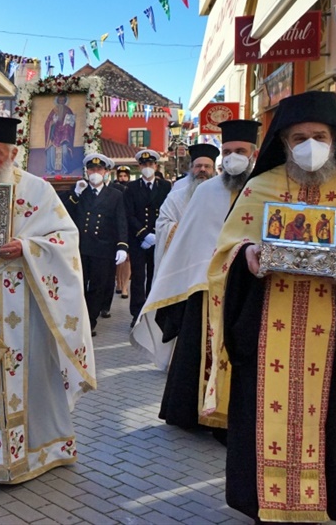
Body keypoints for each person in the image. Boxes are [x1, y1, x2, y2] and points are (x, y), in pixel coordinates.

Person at [202, 92, 336, 523]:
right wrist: (247, 254)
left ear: (335, 140)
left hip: (332, 337)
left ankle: (320, 504)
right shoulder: (259, 187)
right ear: (284, 143)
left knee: (328, 422)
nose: (310, 145)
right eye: (299, 137)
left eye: (319, 136)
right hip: (264, 328)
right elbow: (224, 253)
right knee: (258, 418)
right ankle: (262, 507)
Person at [0, 116, 96, 495]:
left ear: (13, 153)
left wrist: (26, 247)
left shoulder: (38, 190)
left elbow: (66, 239)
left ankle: (36, 454)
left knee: (32, 380)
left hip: (24, 304)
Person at [131, 120, 259, 437]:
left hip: (251, 289)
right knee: (200, 353)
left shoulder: (265, 189)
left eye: (240, 151)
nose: (233, 157)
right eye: (228, 151)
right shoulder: (206, 192)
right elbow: (188, 240)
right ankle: (196, 413)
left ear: (254, 153)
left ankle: (239, 418)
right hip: (206, 288)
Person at [63, 153, 128, 335]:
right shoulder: (79, 190)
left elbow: (121, 220)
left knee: (98, 286)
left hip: (103, 247)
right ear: (87, 171)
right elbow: (64, 212)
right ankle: (78, 318)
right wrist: (75, 194)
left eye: (99, 169)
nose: (95, 172)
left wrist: (122, 245)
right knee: (79, 284)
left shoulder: (115, 194)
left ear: (106, 172)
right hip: (81, 247)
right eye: (91, 169)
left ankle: (90, 321)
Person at [122, 149, 171, 325]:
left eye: (150, 164)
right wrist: (144, 234)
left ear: (156, 166)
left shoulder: (165, 186)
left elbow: (168, 211)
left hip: (158, 238)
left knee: (154, 275)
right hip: (138, 240)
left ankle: (151, 310)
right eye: (144, 165)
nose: (147, 167)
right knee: (137, 277)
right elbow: (129, 214)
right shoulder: (131, 188)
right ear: (139, 167)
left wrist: (157, 234)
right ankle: (137, 313)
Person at [154, 143, 218, 268]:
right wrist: (189, 230)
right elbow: (162, 225)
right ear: (191, 169)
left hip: (214, 260)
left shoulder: (224, 196)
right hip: (184, 261)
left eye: (207, 166)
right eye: (198, 166)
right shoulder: (175, 198)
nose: (202, 169)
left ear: (214, 171)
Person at [111, 166, 132, 297]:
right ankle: (118, 282)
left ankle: (125, 286)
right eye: (120, 176)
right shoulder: (113, 189)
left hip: (128, 225)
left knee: (128, 259)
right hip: (116, 226)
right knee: (118, 260)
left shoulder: (131, 189)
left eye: (125, 176)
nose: (122, 178)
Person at [44, 95, 77, 175]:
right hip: (54, 135)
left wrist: (67, 126)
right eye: (60, 100)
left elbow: (72, 124)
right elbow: (47, 123)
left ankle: (65, 169)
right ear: (57, 101)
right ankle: (51, 170)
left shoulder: (68, 110)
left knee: (65, 151)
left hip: (64, 136)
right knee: (51, 150)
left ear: (65, 101)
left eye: (63, 100)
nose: (61, 102)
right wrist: (52, 123)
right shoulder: (54, 110)